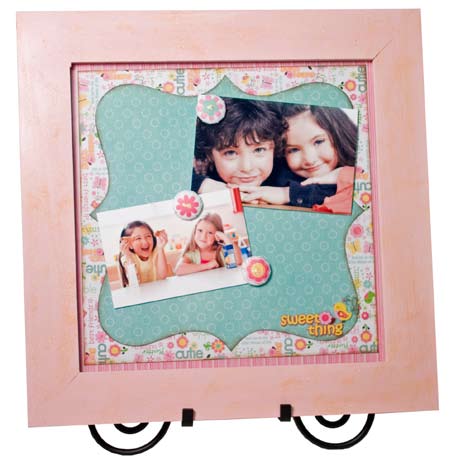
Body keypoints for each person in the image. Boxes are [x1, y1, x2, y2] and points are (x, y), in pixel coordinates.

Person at [239, 104, 357, 213]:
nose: (309, 159)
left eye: (318, 142)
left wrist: (288, 194)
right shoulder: (278, 178)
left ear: (339, 134)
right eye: (294, 150)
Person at [192, 98, 285, 194]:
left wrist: (285, 194)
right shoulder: (200, 171)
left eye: (259, 150)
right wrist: (203, 184)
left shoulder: (286, 173)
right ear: (209, 154)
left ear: (275, 147)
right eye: (230, 153)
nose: (246, 168)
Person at [175, 213, 242, 276]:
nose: (203, 237)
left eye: (210, 233)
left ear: (217, 236)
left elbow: (238, 261)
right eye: (200, 230)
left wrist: (225, 237)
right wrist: (207, 265)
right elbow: (178, 270)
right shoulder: (192, 254)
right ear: (195, 231)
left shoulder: (222, 251)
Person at [118, 221, 168, 287]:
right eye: (138, 238)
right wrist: (128, 256)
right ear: (129, 244)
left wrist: (161, 248)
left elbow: (163, 276)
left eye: (148, 236)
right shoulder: (126, 257)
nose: (145, 242)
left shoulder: (157, 251)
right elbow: (135, 282)